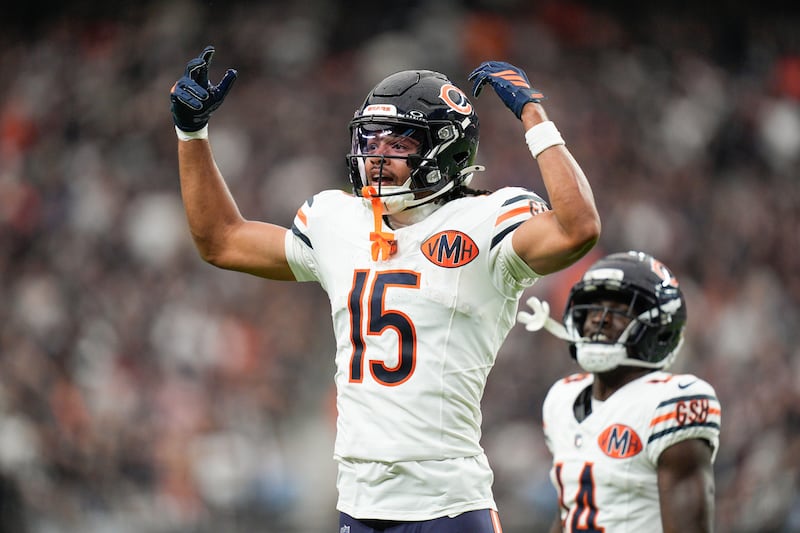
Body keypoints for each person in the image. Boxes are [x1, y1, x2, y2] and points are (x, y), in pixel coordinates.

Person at [169, 44, 601, 532]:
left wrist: (534, 116)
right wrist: (191, 133)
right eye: (370, 141)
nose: (376, 158)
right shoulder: (338, 219)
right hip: (359, 504)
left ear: (446, 151)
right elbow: (222, 241)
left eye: (398, 145)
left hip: (448, 507)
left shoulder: (487, 222)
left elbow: (578, 228)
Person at [517, 251, 721, 533]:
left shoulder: (671, 402)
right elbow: (572, 511)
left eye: (620, 310)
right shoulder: (562, 398)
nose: (599, 320)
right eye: (594, 308)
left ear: (660, 329)